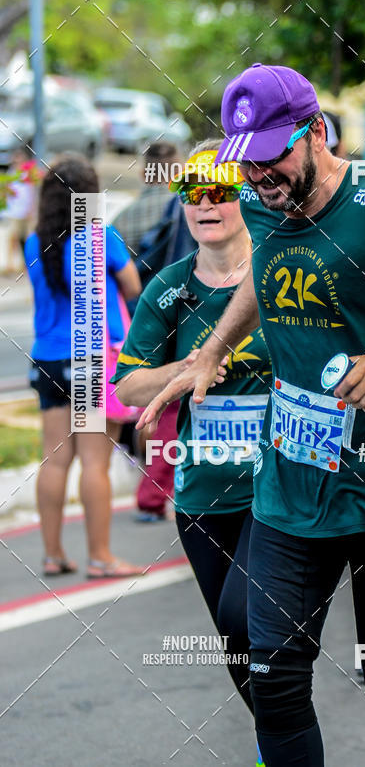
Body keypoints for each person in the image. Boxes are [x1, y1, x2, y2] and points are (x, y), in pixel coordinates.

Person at [137, 63, 365, 767]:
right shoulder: (265, 202)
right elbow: (266, 274)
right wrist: (211, 351)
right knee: (270, 676)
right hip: (291, 483)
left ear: (316, 131)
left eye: (273, 152)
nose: (259, 174)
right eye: (248, 157)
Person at [112, 143, 272, 767]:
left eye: (221, 190)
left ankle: (284, 738)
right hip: (203, 492)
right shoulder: (170, 289)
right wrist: (191, 365)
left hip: (277, 484)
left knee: (245, 615)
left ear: (246, 197)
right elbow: (126, 384)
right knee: (236, 642)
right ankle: (279, 739)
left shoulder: (282, 272)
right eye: (194, 192)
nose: (207, 203)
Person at [24, 153, 144, 579]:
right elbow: (133, 285)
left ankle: (53, 555)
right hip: (92, 358)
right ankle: (100, 557)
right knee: (96, 464)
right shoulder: (100, 237)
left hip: (49, 360)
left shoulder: (33, 242)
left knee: (54, 461)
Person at [112, 140, 195, 521]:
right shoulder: (184, 206)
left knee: (151, 402)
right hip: (180, 313)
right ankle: (154, 493)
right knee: (174, 406)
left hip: (136, 321)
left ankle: (151, 483)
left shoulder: (124, 217)